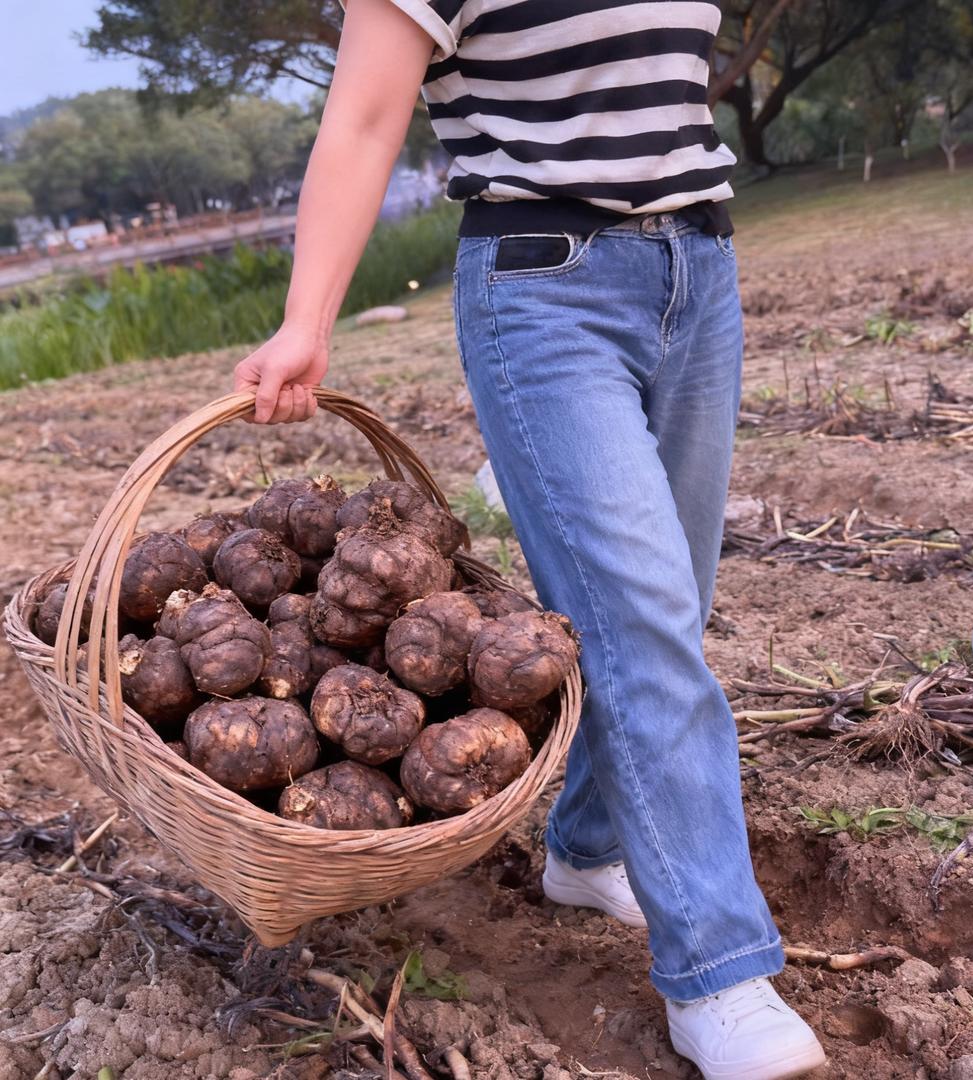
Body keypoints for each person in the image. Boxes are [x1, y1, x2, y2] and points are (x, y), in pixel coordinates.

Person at [232, 2, 827, 1076]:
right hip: (547, 291)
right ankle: (721, 974)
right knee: (644, 629)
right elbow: (365, 118)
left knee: (665, 609)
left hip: (700, 274)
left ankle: (590, 849)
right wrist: (307, 322)